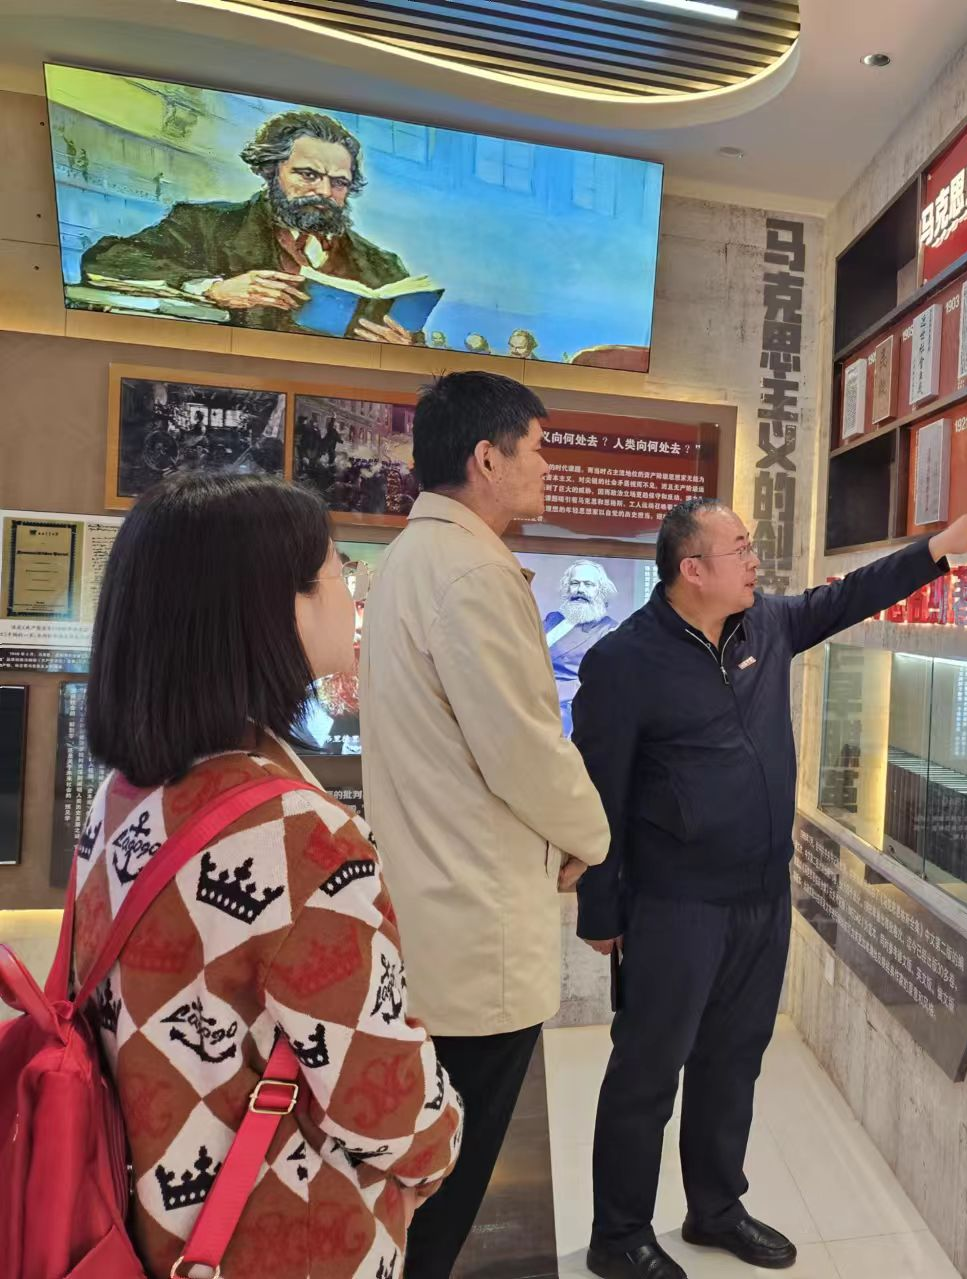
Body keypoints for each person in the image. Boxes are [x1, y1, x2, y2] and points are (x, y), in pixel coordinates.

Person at [572, 498, 967, 1279]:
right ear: (692, 569)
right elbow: (599, 795)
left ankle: (715, 1208)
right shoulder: (623, 662)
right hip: (674, 904)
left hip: (762, 897)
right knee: (647, 1071)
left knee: (734, 1060)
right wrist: (600, 912)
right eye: (739, 549)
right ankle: (619, 1233)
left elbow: (848, 596)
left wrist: (936, 547)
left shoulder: (764, 626)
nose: (754, 561)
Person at [72, 472, 463, 1278]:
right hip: (280, 1235)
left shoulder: (122, 796)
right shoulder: (295, 832)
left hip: (138, 1217)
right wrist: (441, 1141)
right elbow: (381, 1095)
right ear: (273, 608)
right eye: (336, 571)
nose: (351, 593)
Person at [359, 370, 611, 1278]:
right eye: (537, 447)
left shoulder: (411, 557)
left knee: (422, 1173)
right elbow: (526, 747)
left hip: (435, 909)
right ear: (486, 458)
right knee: (445, 1184)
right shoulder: (472, 571)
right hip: (475, 930)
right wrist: (593, 836)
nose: (547, 465)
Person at [81, 111, 415, 344]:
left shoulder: (382, 267)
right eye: (308, 175)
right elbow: (108, 258)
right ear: (271, 170)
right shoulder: (207, 224)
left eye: (339, 182)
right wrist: (213, 289)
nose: (325, 192)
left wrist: (404, 348)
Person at [544, 560, 622, 735]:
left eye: (588, 584)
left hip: (566, 709)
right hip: (531, 697)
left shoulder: (610, 630)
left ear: (601, 591)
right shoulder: (553, 619)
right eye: (574, 583)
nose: (580, 590)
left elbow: (604, 685)